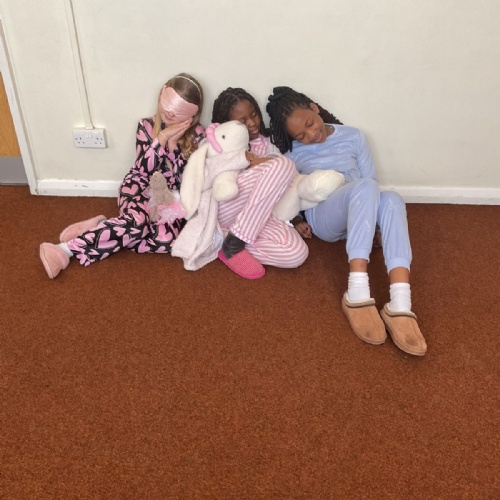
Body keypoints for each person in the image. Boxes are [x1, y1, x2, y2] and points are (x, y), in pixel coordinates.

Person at [266, 86, 427, 356]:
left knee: (391, 198)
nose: (311, 135)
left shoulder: (354, 136)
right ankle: (357, 292)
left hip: (362, 210)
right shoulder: (291, 153)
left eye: (310, 124)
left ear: (315, 108)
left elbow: (371, 179)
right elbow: (286, 189)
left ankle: (400, 303)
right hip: (326, 217)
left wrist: (376, 225)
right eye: (301, 135)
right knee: (365, 187)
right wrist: (296, 218)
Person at [39, 73, 205, 279]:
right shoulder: (145, 126)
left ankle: (101, 228)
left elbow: (185, 182)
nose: (170, 113)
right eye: (168, 104)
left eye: (179, 111)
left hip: (170, 198)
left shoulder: (199, 135)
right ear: (162, 94)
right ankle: (64, 250)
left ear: (193, 115)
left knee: (167, 242)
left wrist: (173, 147)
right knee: (137, 224)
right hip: (138, 187)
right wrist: (161, 138)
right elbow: (143, 171)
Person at [210, 87, 308, 279]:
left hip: (258, 217)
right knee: (285, 164)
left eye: (254, 114)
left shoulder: (270, 143)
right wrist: (245, 163)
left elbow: (283, 187)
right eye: (243, 122)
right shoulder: (220, 143)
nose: (253, 123)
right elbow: (212, 178)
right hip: (228, 207)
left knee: (297, 254)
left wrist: (295, 219)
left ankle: (222, 241)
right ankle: (234, 243)